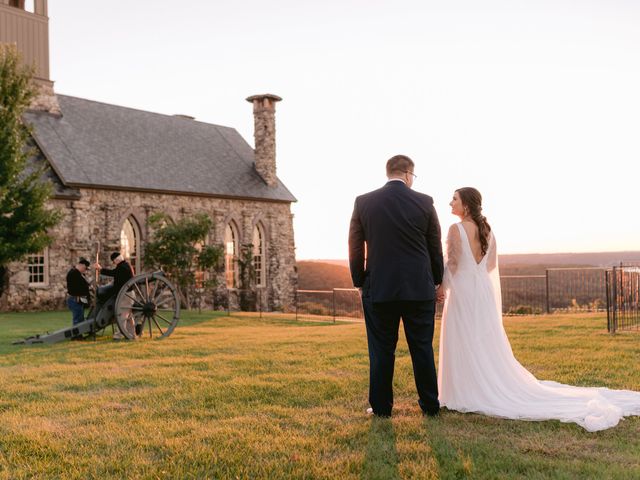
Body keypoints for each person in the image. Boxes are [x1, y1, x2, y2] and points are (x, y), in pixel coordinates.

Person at [437, 187, 640, 432]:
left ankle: (465, 391)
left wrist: (442, 288)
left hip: (464, 293)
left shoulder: (455, 229)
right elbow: (490, 266)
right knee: (481, 339)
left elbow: (453, 264)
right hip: (483, 293)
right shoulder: (488, 230)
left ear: (466, 205)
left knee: (463, 338)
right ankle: (481, 384)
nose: (450, 203)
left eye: (454, 199)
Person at [349, 154, 444, 418]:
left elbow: (355, 246)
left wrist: (359, 282)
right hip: (419, 288)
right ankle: (430, 405)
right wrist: (436, 281)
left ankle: (381, 408)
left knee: (381, 350)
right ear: (407, 174)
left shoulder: (364, 202)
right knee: (421, 348)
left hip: (379, 288)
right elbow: (434, 247)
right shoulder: (424, 202)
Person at [66, 257, 91, 326]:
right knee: (77, 318)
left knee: (80, 317)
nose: (85, 270)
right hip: (75, 299)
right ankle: (76, 335)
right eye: (85, 268)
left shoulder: (78, 274)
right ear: (82, 265)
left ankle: (79, 334)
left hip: (79, 298)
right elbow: (80, 287)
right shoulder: (74, 273)